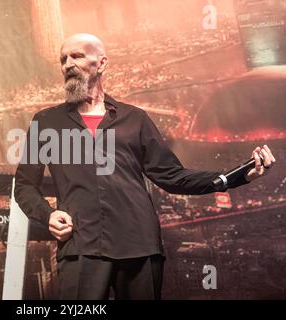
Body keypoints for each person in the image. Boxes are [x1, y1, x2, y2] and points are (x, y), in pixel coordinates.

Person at [14, 33, 276, 300]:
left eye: (77, 55)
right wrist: (47, 215)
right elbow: (24, 185)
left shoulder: (134, 119)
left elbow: (172, 176)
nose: (68, 63)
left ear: (102, 63)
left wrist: (238, 175)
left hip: (139, 245)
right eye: (63, 59)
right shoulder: (47, 122)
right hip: (80, 247)